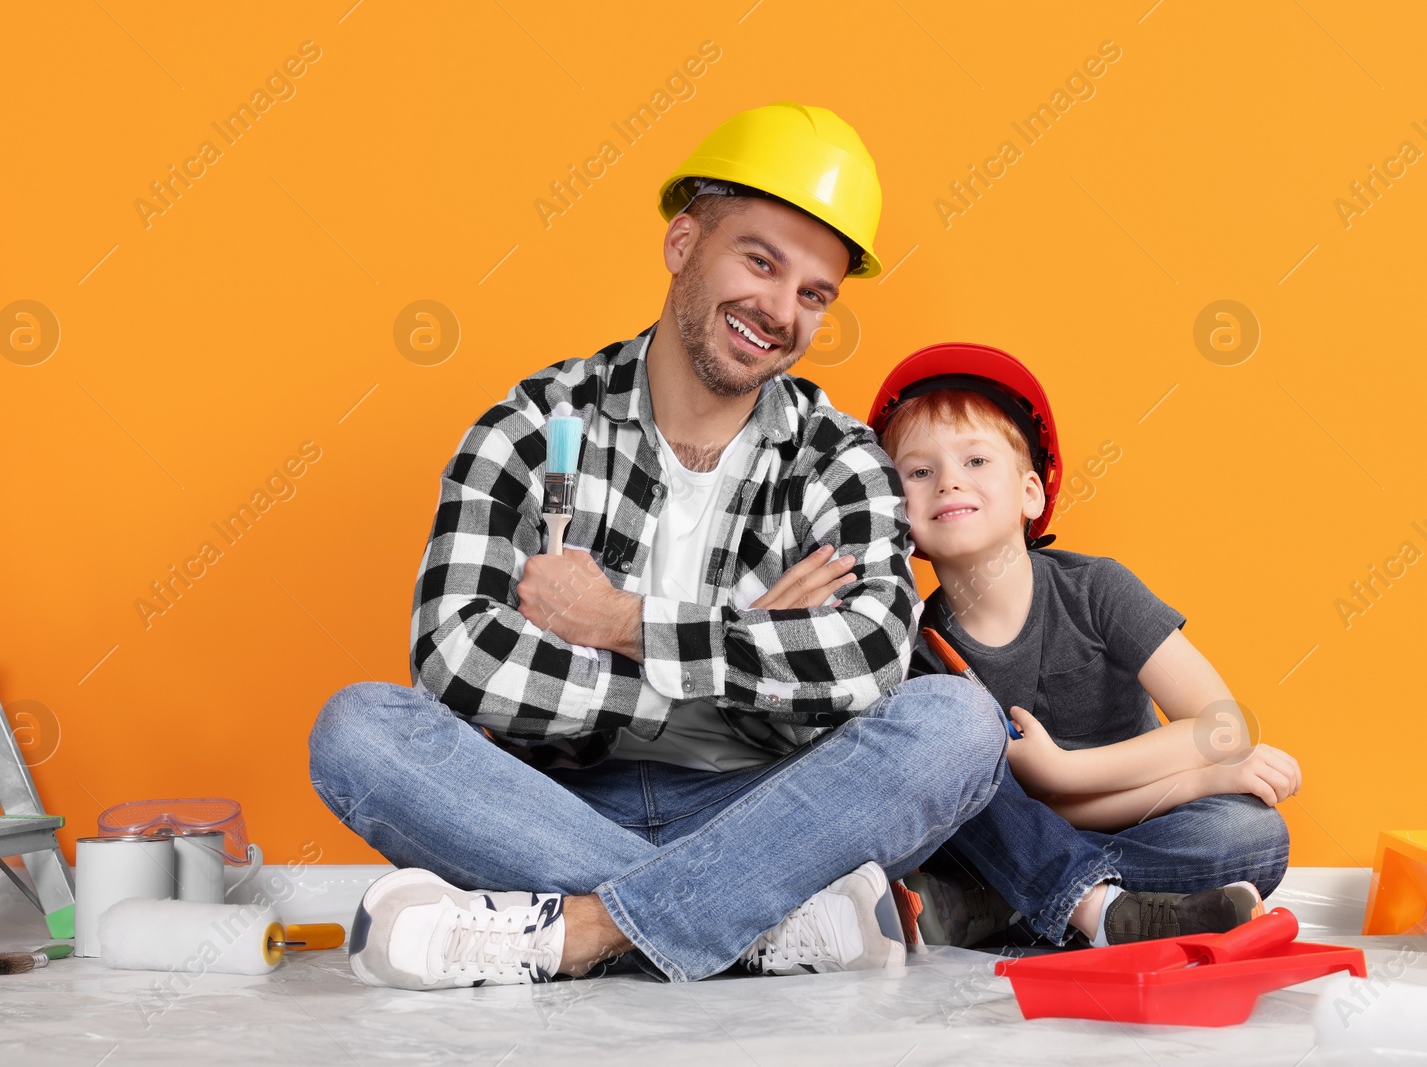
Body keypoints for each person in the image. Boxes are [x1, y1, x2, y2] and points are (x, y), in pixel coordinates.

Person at [308, 104, 1012, 990]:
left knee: (957, 724)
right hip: (550, 800)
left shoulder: (838, 457)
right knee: (357, 730)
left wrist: (620, 620)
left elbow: (869, 659)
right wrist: (740, 644)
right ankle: (757, 923)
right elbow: (457, 655)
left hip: (770, 803)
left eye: (813, 293)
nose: (779, 310)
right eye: (759, 260)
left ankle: (581, 928)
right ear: (682, 243)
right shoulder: (533, 422)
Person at [863, 343, 1298, 948]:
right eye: (918, 472)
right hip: (1012, 838)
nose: (949, 481)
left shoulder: (1096, 588)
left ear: (1031, 495)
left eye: (977, 459)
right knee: (954, 819)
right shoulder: (916, 647)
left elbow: (1222, 729)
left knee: (1251, 834)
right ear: (896, 515)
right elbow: (1010, 814)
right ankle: (1096, 908)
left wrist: (1080, 772)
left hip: (1136, 816)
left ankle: (1004, 904)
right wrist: (1185, 776)